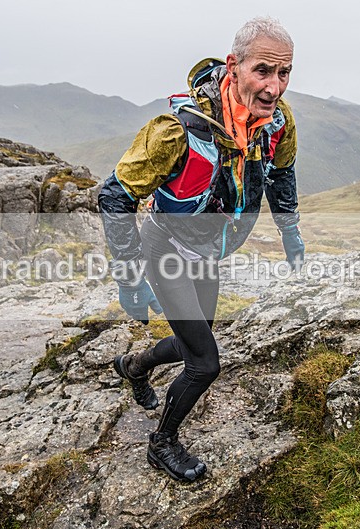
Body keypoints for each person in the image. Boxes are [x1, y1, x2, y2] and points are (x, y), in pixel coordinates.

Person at [98, 16, 304, 483]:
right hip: (166, 247)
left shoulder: (276, 124)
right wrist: (129, 279)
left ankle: (133, 366)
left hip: (209, 251)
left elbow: (282, 175)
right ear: (234, 66)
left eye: (285, 73)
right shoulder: (175, 131)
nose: (274, 87)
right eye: (263, 71)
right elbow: (114, 196)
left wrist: (291, 234)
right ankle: (162, 444)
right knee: (205, 362)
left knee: (197, 336)